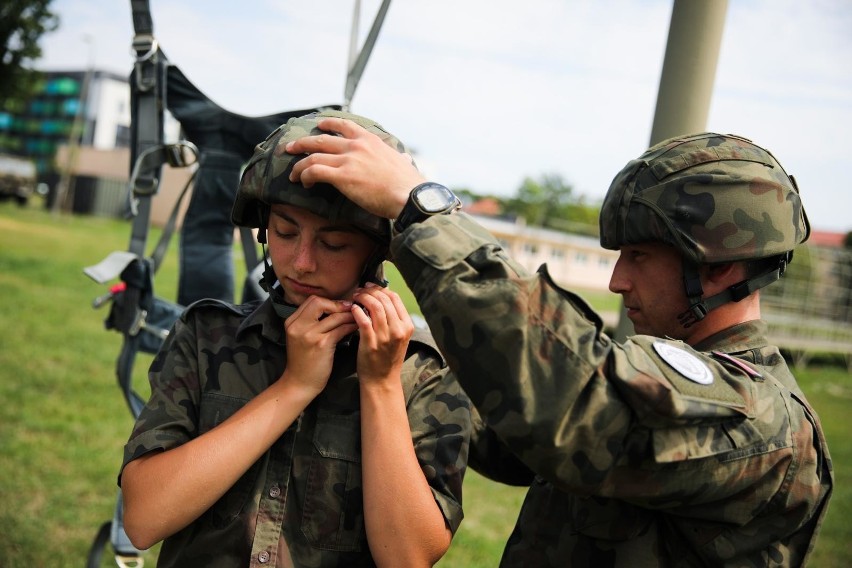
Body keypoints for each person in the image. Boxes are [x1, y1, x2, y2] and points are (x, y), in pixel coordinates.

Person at [285, 121, 834, 567]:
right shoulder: (651, 376)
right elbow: (512, 431)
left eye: (639, 257)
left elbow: (574, 401)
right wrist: (392, 364)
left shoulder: (764, 422)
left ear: (721, 269)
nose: (618, 282)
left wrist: (419, 207)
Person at [118, 110, 472, 568]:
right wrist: (294, 387)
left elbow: (407, 558)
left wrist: (381, 384)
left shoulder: (423, 369)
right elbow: (143, 519)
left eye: (334, 244)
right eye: (285, 232)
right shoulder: (206, 336)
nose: (301, 262)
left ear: (376, 251)